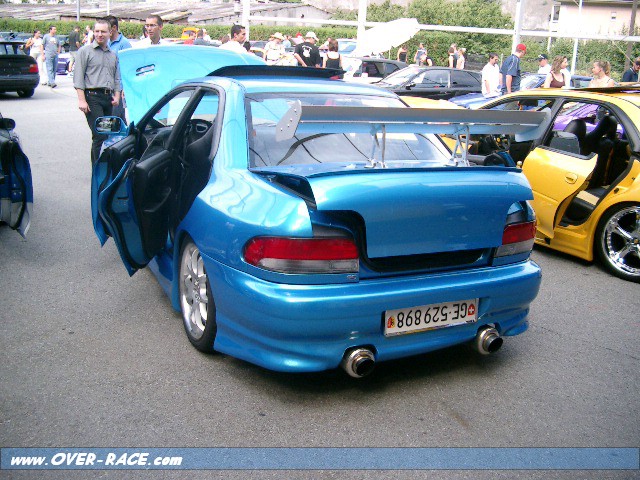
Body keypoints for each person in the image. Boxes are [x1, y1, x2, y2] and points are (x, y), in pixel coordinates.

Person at [74, 18, 121, 165]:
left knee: (108, 135)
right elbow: (78, 77)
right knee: (99, 135)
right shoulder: (85, 51)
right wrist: (82, 100)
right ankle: (97, 170)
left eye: (103, 32)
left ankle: (106, 167)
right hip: (92, 98)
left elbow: (117, 78)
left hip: (108, 99)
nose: (100, 34)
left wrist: (117, 96)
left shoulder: (113, 54)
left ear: (110, 32)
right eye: (97, 31)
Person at [105, 15, 131, 122]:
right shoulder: (106, 42)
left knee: (115, 118)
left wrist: (125, 87)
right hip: (107, 87)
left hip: (118, 88)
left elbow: (128, 67)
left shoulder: (124, 43)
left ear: (114, 28)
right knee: (114, 118)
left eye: (106, 29)